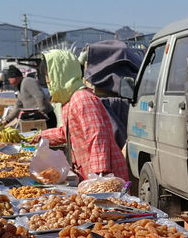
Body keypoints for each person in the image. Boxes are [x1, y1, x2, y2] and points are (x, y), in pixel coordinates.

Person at [36, 49, 128, 180]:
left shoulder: (82, 99)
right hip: (88, 172)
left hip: (105, 175)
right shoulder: (70, 100)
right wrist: (40, 136)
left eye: (49, 76)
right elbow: (67, 132)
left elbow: (97, 135)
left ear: (61, 74)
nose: (48, 81)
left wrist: (99, 176)